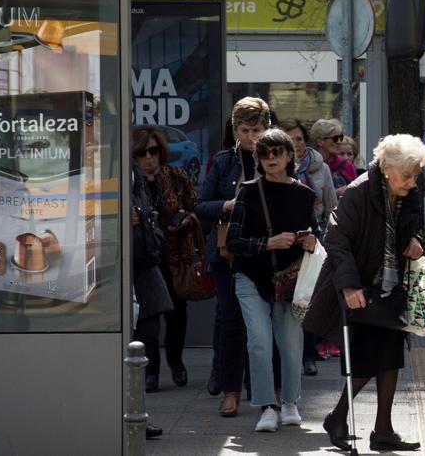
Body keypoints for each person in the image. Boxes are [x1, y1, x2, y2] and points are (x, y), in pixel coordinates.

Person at [306, 133, 425, 452]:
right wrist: (348, 286)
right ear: (387, 168)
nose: (413, 182)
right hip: (359, 284)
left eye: (416, 175)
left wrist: (413, 241)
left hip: (389, 284)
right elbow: (336, 239)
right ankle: (337, 418)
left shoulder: (404, 190)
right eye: (408, 175)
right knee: (366, 358)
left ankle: (383, 430)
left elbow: (409, 226)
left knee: (390, 357)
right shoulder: (360, 191)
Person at [226, 128, 318, 433]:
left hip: (290, 280)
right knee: (260, 341)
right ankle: (266, 406)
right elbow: (233, 241)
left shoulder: (304, 194)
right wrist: (268, 243)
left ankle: (290, 402)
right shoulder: (249, 191)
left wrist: (310, 242)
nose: (270, 159)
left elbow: (316, 234)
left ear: (290, 155)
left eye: (276, 152)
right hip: (251, 276)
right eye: (263, 154)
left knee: (291, 345)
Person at [196, 96, 271, 417]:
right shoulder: (223, 160)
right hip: (228, 252)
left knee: (265, 323)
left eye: (257, 130)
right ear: (234, 129)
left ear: (268, 128)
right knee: (230, 322)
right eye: (244, 130)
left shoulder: (277, 158)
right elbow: (200, 205)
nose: (251, 137)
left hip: (266, 252)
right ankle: (231, 390)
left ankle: (262, 387)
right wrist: (228, 205)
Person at [132, 125, 198, 392]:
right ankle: (151, 370)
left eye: (154, 151)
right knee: (148, 316)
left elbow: (195, 207)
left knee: (177, 314)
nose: (149, 157)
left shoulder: (177, 176)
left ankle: (176, 360)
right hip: (146, 256)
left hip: (175, 255)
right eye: (142, 153)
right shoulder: (130, 181)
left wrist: (184, 218)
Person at [282, 118, 338, 373]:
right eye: (291, 139)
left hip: (315, 239)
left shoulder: (320, 167)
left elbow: (331, 207)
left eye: (300, 139)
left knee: (310, 298)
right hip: (285, 241)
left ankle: (309, 355)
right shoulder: (278, 167)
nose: (296, 144)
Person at [130, 163, 170, 439]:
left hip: (144, 272)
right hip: (114, 273)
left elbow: (152, 223)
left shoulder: (134, 178)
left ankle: (138, 414)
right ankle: (128, 414)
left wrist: (142, 218)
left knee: (146, 343)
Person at [311, 118, 357, 195]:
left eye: (340, 138)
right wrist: (335, 193)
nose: (339, 142)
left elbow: (358, 193)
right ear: (320, 141)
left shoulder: (347, 165)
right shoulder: (310, 165)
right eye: (335, 138)